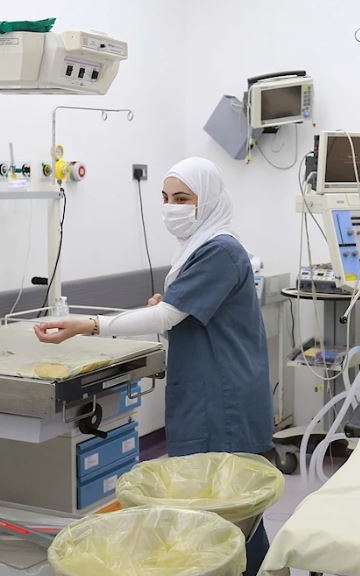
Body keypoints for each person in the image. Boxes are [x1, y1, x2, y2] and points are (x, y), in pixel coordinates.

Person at [34, 157, 274, 575]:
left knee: (224, 512)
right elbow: (182, 310)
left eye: (182, 198)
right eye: (165, 198)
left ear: (208, 199)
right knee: (229, 510)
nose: (171, 207)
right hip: (210, 390)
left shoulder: (219, 250)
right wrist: (171, 303)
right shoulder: (202, 246)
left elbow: (166, 318)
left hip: (221, 402)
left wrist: (88, 325)